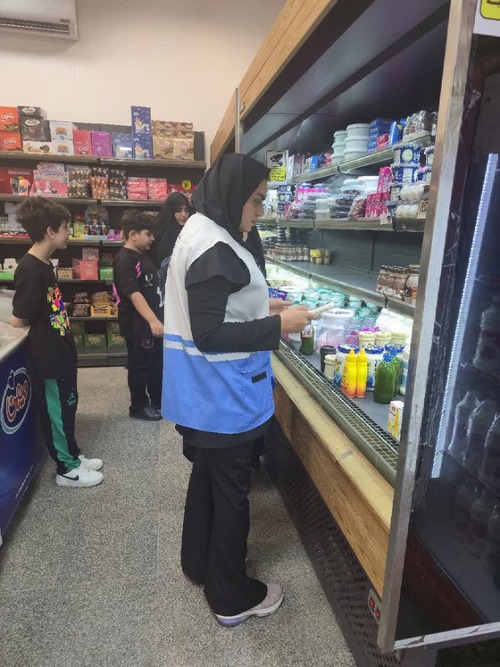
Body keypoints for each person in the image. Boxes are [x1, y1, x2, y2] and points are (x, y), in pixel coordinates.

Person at [162, 153, 317, 627]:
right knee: (232, 493)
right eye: (256, 201)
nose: (261, 211)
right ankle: (231, 597)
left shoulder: (203, 229)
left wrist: (259, 306)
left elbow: (214, 306)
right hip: (222, 395)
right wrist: (277, 325)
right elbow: (210, 334)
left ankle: (199, 562)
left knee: (207, 478)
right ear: (233, 196)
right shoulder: (215, 246)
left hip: (204, 393)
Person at [10, 197, 104, 488]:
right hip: (48, 358)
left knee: (67, 407)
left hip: (60, 353)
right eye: (65, 227)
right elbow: (19, 318)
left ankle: (73, 454)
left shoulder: (43, 265)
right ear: (50, 231)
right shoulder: (30, 269)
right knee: (57, 413)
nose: (69, 233)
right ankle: (67, 469)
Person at [113, 209, 164, 421]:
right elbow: (133, 293)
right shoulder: (124, 259)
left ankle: (157, 400)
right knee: (139, 365)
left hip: (151, 323)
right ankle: (138, 406)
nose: (152, 238)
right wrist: (152, 320)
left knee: (155, 363)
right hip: (138, 325)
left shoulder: (142, 256)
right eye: (148, 234)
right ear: (133, 234)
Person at [150, 191, 192, 270]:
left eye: (187, 210)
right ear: (170, 211)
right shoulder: (159, 232)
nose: (184, 215)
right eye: (178, 210)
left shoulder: (191, 230)